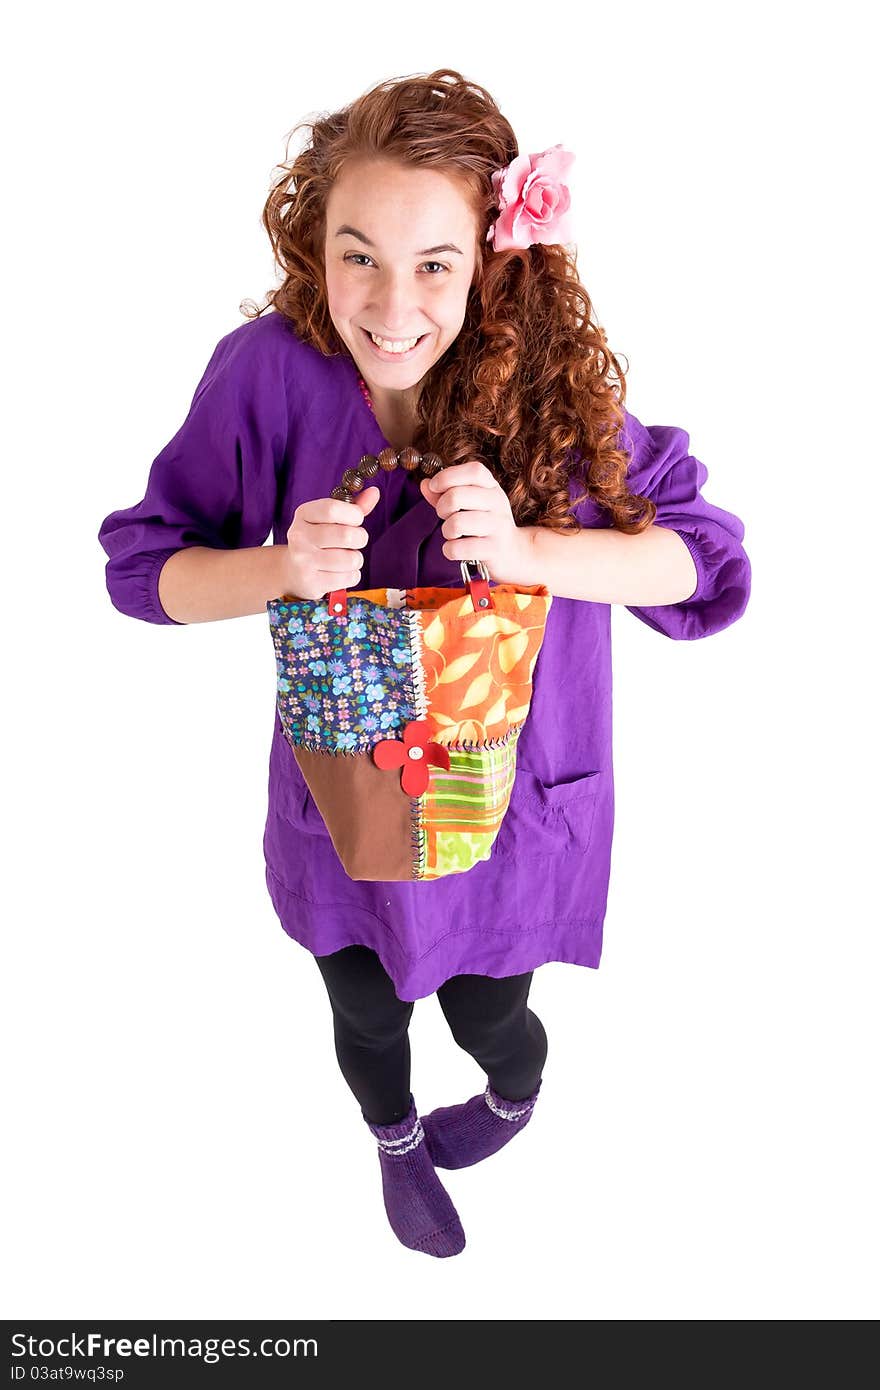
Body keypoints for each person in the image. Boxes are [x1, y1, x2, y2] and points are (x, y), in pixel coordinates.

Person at [97, 69, 751, 1259]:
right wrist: (277, 570)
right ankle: (392, 1137)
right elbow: (142, 568)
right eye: (358, 257)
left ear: (494, 258)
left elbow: (698, 563)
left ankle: (508, 1097)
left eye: (435, 264)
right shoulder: (265, 374)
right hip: (343, 799)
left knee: (493, 1011)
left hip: (510, 815)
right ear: (313, 246)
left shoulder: (549, 388)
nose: (392, 305)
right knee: (361, 1007)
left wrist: (532, 548)